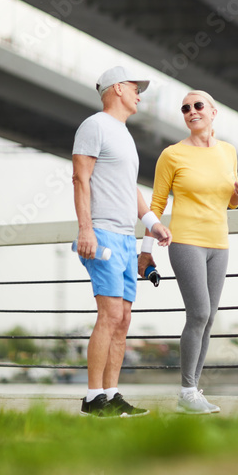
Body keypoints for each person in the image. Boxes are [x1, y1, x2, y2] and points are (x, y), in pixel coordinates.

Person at [139, 90, 238, 414]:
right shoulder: (172, 155)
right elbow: (156, 205)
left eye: (198, 105)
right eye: (185, 108)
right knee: (198, 313)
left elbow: (229, 201)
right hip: (186, 241)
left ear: (213, 112)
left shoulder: (228, 152)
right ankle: (186, 392)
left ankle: (194, 390)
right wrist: (146, 252)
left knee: (209, 318)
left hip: (220, 243)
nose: (191, 111)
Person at [73, 65, 172, 417]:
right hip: (101, 233)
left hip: (126, 237)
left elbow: (129, 189)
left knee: (124, 318)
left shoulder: (124, 135)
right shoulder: (94, 126)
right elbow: (80, 179)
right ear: (116, 89)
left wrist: (152, 222)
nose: (139, 94)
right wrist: (86, 229)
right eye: (134, 88)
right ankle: (92, 397)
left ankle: (112, 394)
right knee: (110, 313)